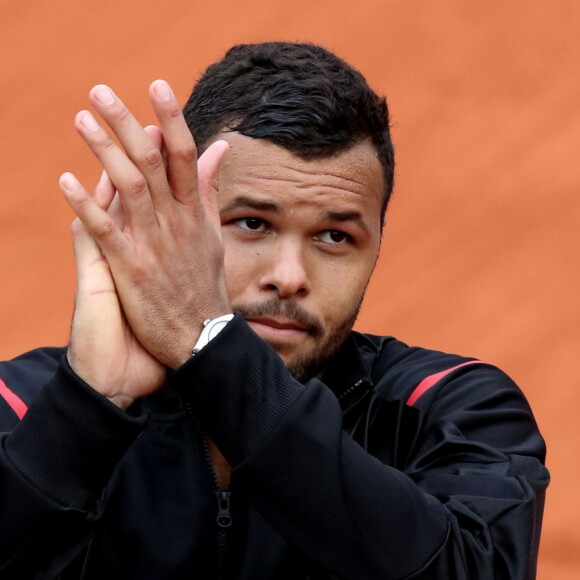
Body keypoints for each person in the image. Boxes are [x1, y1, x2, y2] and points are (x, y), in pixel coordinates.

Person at [0, 42, 548, 579]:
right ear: (174, 217)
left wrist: (210, 347)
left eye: (335, 235)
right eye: (253, 224)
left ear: (377, 243)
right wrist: (85, 410)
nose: (290, 275)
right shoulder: (23, 406)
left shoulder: (453, 408)